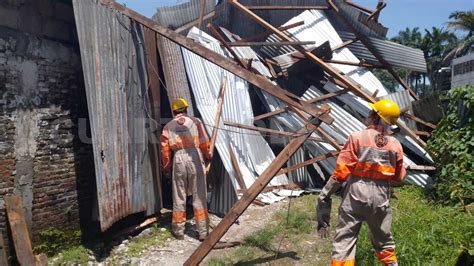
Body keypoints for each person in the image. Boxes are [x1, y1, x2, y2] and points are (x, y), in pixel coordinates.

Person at [316, 99, 406, 266]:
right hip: (381, 195)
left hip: (356, 192)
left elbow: (342, 172)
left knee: (345, 240)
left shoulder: (356, 137)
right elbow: (398, 177)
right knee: (384, 240)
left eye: (371, 112)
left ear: (374, 115)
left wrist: (325, 194)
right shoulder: (395, 145)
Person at [160, 98, 212, 240]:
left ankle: (178, 231)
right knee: (199, 194)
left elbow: (165, 150)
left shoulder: (168, 126)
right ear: (186, 109)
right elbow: (203, 142)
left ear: (174, 111)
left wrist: (167, 167)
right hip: (194, 155)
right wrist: (208, 155)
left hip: (178, 158)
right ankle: (202, 231)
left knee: (179, 194)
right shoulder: (196, 122)